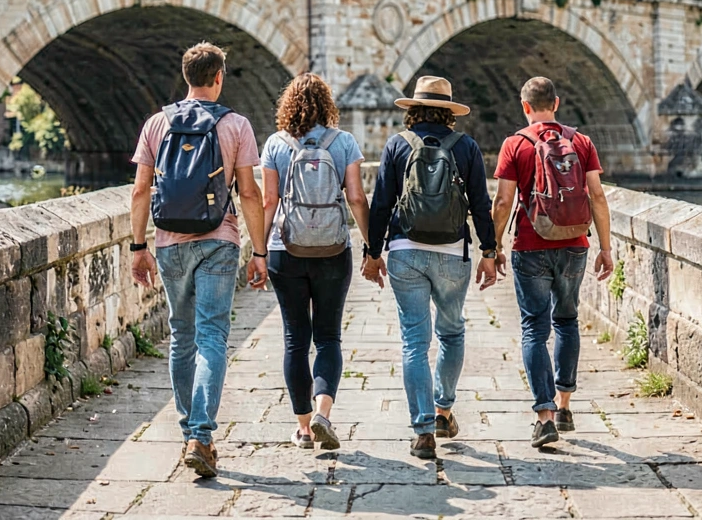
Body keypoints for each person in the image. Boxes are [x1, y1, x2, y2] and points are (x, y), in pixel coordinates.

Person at [130, 42, 269, 479]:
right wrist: (259, 251)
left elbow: (140, 191)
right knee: (212, 336)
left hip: (169, 243)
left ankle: (190, 428)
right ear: (219, 77)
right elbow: (249, 192)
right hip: (219, 240)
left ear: (186, 77)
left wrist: (138, 247)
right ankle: (202, 436)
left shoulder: (157, 123)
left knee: (180, 335)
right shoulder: (236, 125)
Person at [363, 76, 498, 460]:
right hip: (453, 252)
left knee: (413, 342)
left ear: (414, 109)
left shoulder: (397, 146)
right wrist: (489, 250)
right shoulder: (466, 147)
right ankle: (443, 409)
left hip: (405, 250)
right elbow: (480, 205)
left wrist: (373, 253)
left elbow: (381, 204)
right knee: (452, 333)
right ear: (449, 112)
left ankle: (422, 429)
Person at [491, 77, 614, 448]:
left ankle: (544, 415)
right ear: (556, 103)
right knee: (567, 320)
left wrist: (493, 247)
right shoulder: (582, 142)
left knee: (534, 329)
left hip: (530, 244)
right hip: (576, 242)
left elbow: (502, 203)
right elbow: (596, 195)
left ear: (525, 106)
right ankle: (564, 405)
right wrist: (605, 248)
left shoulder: (515, 144)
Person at [260, 73, 370, 451]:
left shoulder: (276, 144)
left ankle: (304, 429)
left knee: (295, 338)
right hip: (333, 250)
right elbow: (356, 198)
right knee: (328, 336)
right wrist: (372, 246)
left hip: (284, 248)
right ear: (328, 105)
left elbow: (268, 201)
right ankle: (324, 412)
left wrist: (259, 251)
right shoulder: (344, 143)